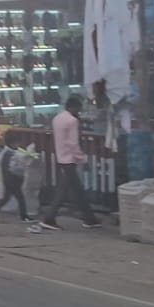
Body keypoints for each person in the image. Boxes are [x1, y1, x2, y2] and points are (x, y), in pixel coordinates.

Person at [39, 96, 101, 230]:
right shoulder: (72, 121)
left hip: (61, 157)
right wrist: (82, 158)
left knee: (76, 190)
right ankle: (49, 218)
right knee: (65, 191)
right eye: (79, 109)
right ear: (74, 107)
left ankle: (89, 218)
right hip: (70, 159)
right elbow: (73, 143)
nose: (79, 112)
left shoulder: (57, 118)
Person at [0, 135, 35, 223]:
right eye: (18, 143)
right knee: (20, 198)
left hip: (8, 178)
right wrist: (31, 151)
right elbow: (22, 159)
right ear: (13, 143)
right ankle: (24, 216)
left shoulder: (8, 152)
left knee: (6, 197)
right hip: (13, 178)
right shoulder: (12, 153)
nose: (19, 144)